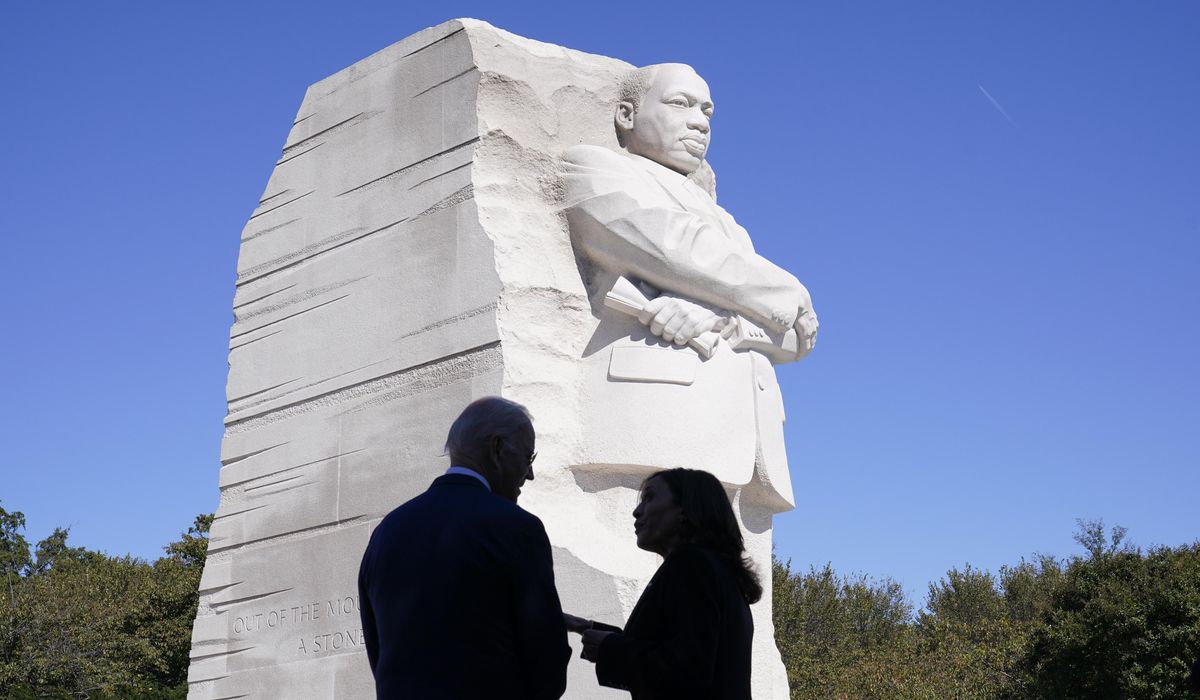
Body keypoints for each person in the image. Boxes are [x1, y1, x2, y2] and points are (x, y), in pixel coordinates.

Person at [561, 62, 818, 510]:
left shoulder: (729, 224)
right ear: (626, 115)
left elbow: (799, 338)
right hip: (654, 419)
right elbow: (672, 246)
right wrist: (788, 290)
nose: (699, 121)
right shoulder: (593, 166)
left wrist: (723, 318)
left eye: (707, 111)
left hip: (745, 440)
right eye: (680, 104)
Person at [356, 396, 570, 699]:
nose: (530, 474)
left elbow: (380, 653)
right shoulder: (517, 527)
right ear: (497, 448)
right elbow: (547, 665)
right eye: (528, 458)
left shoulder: (385, 533)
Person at [564, 468, 760, 699]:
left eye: (650, 497)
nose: (637, 511)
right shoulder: (715, 570)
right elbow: (676, 647)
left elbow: (688, 669)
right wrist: (585, 627)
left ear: (685, 509)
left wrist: (609, 647)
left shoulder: (692, 564)